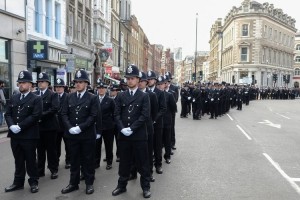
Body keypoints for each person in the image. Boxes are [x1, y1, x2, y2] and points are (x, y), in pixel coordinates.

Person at [112, 65, 151, 198]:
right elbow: (116, 114)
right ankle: (121, 185)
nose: (129, 81)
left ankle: (145, 187)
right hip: (124, 136)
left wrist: (132, 128)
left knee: (143, 163)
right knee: (124, 162)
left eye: (132, 78)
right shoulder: (121, 95)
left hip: (139, 135)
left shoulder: (144, 96)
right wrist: (122, 128)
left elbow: (144, 115)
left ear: (138, 80)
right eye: (128, 78)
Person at [61, 69, 98, 195]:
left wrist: (80, 127)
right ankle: (73, 183)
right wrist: (69, 127)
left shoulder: (92, 98)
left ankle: (89, 183)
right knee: (74, 160)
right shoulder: (69, 97)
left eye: (81, 82)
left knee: (88, 160)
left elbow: (93, 116)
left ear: (86, 83)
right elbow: (64, 113)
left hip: (87, 135)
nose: (78, 84)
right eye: (76, 82)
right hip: (72, 135)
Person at [4, 70, 42, 193]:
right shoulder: (14, 98)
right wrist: (11, 126)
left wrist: (20, 126)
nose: (21, 85)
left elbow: (35, 115)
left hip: (29, 135)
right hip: (15, 135)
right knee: (18, 159)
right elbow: (8, 113)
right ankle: (18, 182)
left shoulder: (36, 99)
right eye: (19, 82)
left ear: (30, 84)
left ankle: (33, 182)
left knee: (30, 160)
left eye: (24, 82)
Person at [35, 72, 59, 179]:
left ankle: (53, 169)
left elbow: (54, 109)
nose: (40, 83)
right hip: (38, 128)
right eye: (39, 82)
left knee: (51, 150)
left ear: (47, 83)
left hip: (50, 127)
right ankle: (40, 170)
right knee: (40, 151)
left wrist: (40, 116)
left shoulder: (52, 94)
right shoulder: (35, 94)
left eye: (42, 81)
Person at [147, 70, 166, 174]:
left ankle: (158, 165)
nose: (150, 81)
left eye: (151, 79)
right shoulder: (144, 92)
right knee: (148, 147)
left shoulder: (160, 93)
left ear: (155, 80)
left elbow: (163, 108)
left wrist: (154, 119)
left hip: (157, 124)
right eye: (148, 79)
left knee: (157, 146)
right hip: (146, 124)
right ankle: (148, 167)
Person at [95, 79, 115, 170]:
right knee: (96, 146)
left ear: (106, 90)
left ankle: (109, 161)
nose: (101, 90)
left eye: (103, 88)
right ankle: (96, 162)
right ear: (97, 89)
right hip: (97, 127)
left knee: (108, 145)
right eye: (99, 88)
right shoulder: (94, 99)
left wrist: (113, 124)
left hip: (108, 127)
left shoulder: (110, 100)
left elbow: (115, 113)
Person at [54, 78, 70, 169]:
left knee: (68, 145)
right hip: (56, 126)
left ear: (64, 87)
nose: (58, 88)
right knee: (56, 146)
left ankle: (68, 161)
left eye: (60, 87)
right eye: (57, 87)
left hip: (65, 126)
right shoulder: (53, 96)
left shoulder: (68, 96)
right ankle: (56, 161)